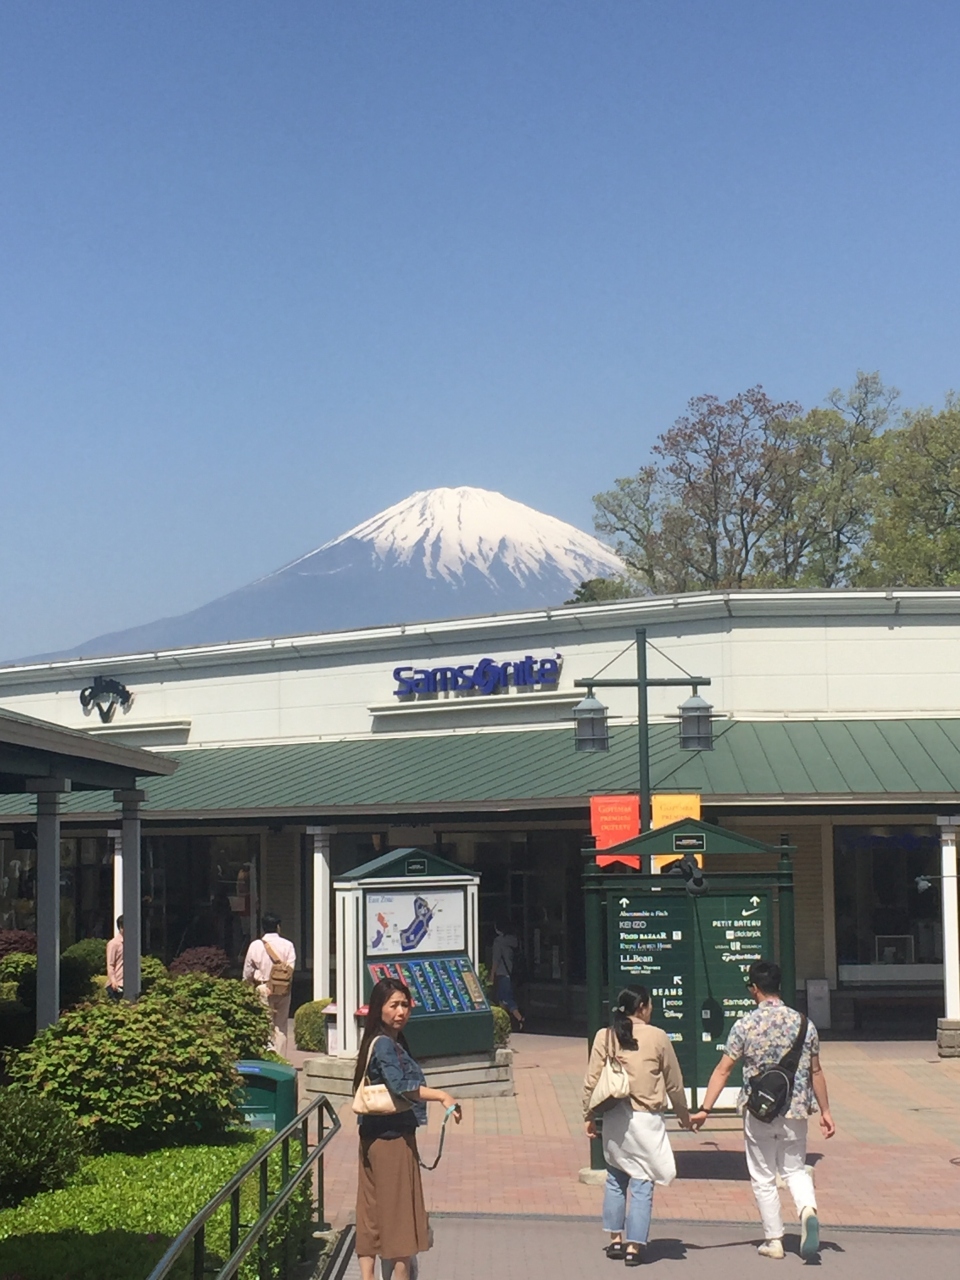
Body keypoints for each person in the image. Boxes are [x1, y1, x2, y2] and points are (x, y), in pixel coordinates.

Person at [690, 959, 836, 1261]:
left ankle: (774, 1239)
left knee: (763, 1176)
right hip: (795, 1110)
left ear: (753, 989)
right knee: (794, 1170)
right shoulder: (804, 1024)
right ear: (779, 987)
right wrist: (825, 1111)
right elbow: (816, 1072)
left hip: (759, 1111)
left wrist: (705, 1109)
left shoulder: (745, 1025)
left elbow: (723, 1069)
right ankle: (807, 1209)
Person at [354, 977, 461, 1280]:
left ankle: (367, 1277)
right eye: (394, 1005)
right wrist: (442, 1096)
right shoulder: (387, 1045)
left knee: (371, 1211)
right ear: (379, 1009)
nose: (401, 1011)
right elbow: (401, 1087)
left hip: (371, 1137)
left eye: (405, 1005)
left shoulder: (376, 1040)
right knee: (401, 1216)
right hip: (392, 1139)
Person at [582, 986, 693, 1266]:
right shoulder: (657, 1037)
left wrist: (588, 1115)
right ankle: (634, 1246)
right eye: (650, 1004)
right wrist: (684, 1114)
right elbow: (674, 1081)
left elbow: (591, 1079)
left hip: (614, 1116)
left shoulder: (604, 1036)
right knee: (643, 1181)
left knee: (616, 1178)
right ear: (642, 1006)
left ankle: (615, 1240)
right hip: (646, 1120)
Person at [242, 912, 296, 1056]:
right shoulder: (288, 945)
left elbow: (248, 970)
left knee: (265, 1024)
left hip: (263, 987)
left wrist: (246, 985)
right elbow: (290, 969)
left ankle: (267, 1057)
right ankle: (281, 1059)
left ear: (263, 928)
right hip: (283, 990)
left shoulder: (255, 945)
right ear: (278, 927)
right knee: (281, 1026)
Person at [490, 919, 524, 1029]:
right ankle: (503, 1023)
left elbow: (496, 960)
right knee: (501, 999)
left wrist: (491, 975)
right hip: (510, 972)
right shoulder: (513, 940)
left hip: (501, 973)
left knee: (506, 998)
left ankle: (520, 1018)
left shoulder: (498, 942)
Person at [105, 915, 124, 1000]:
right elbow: (110, 964)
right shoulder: (114, 944)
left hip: (129, 984)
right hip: (117, 985)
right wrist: (113, 980)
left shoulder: (132, 943)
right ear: (121, 927)